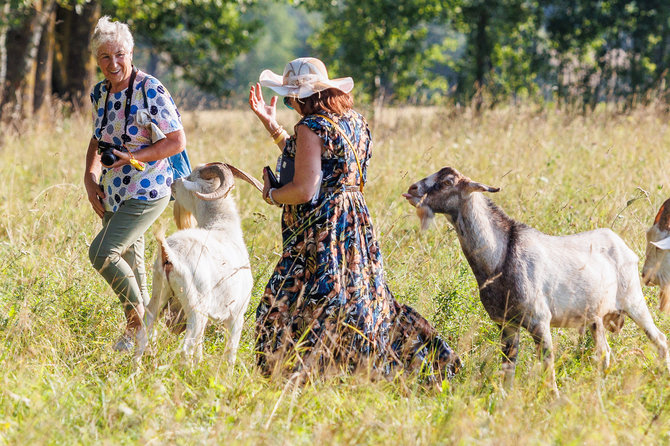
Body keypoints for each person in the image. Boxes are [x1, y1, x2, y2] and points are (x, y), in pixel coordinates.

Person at [249, 57, 460, 383]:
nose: (290, 104)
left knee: (297, 302)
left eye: (290, 98)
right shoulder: (355, 123)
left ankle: (300, 374)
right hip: (354, 221)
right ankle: (390, 366)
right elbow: (327, 163)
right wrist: (274, 128)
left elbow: (305, 189)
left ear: (299, 97)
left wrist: (272, 195)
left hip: (321, 227)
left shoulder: (310, 126)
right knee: (361, 297)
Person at [84, 16, 186, 351]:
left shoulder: (150, 89)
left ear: (131, 52)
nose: (113, 63)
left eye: (119, 55)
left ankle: (135, 325)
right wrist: (90, 176)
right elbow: (98, 138)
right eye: (104, 57)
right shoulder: (100, 92)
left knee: (102, 253)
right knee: (129, 262)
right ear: (96, 59)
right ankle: (151, 334)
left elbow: (176, 141)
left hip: (148, 189)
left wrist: (130, 157)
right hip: (113, 192)